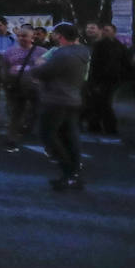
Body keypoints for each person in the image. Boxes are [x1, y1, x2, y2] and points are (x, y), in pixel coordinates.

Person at [31, 23, 90, 190]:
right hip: (73, 97)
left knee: (47, 134)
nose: (53, 36)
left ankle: (68, 171)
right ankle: (74, 173)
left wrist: (36, 66)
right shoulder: (83, 51)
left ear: (60, 36)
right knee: (70, 135)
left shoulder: (62, 54)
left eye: (55, 34)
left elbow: (42, 72)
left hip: (56, 98)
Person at [1, 26, 43, 152]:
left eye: (24, 36)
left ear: (32, 37)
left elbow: (48, 69)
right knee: (16, 114)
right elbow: (3, 69)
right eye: (19, 36)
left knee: (40, 112)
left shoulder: (42, 52)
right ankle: (12, 140)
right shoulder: (9, 52)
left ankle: (43, 138)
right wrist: (6, 83)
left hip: (35, 88)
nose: (21, 38)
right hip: (16, 87)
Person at [84, 23, 126, 136]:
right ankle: (100, 126)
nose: (104, 32)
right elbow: (95, 64)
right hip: (104, 79)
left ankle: (102, 126)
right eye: (104, 30)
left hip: (110, 79)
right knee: (100, 103)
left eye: (107, 30)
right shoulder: (104, 45)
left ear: (114, 32)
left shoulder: (117, 46)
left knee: (104, 104)